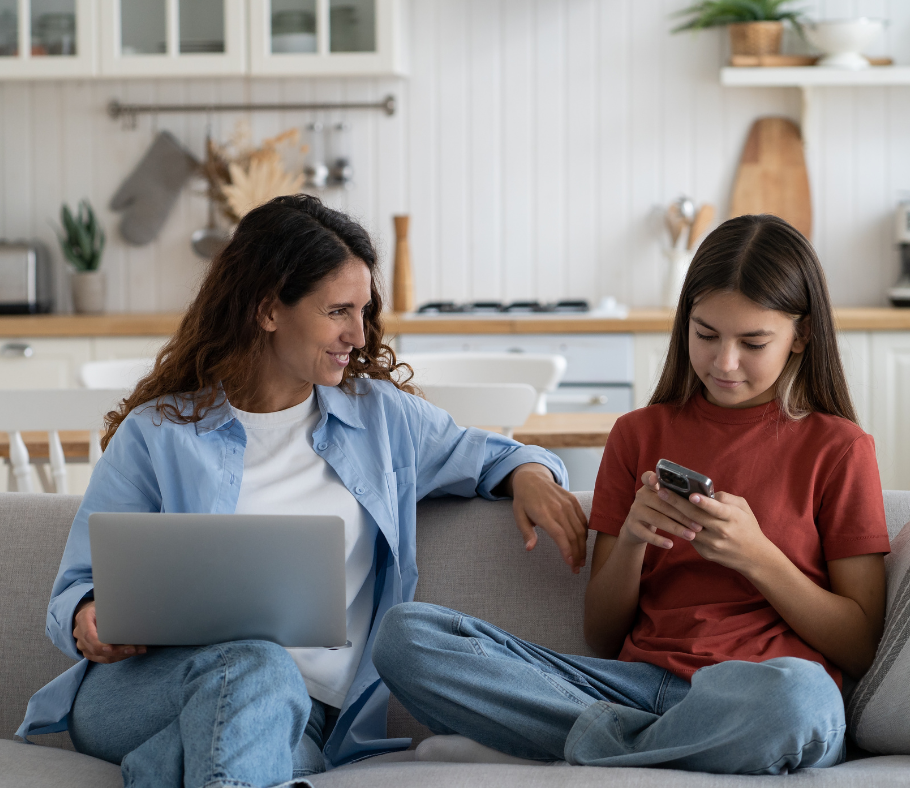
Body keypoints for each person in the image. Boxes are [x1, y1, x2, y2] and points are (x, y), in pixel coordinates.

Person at [17, 194, 588, 788]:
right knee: (259, 665)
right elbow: (75, 588)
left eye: (364, 311)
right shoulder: (158, 433)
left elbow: (496, 453)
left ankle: (160, 770)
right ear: (268, 310)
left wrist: (531, 476)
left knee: (267, 740)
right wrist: (88, 617)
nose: (359, 335)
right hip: (150, 689)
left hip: (309, 717)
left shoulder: (383, 421)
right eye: (338, 311)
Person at [372, 214, 891, 775]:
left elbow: (859, 644)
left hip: (761, 693)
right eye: (706, 334)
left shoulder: (839, 448)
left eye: (753, 341)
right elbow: (601, 633)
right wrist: (636, 542)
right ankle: (641, 746)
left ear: (803, 334)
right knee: (405, 638)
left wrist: (758, 557)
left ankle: (561, 745)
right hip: (633, 687)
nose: (724, 362)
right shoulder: (638, 434)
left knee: (803, 700)